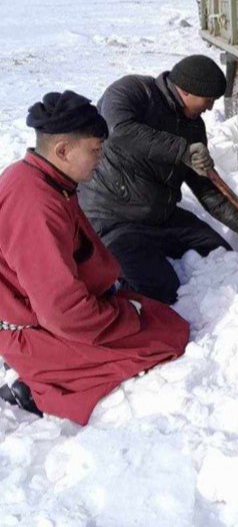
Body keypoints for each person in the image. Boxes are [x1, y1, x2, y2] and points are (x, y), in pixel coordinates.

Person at [0, 91, 190, 425]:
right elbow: (61, 312)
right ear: (63, 150)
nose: (101, 159)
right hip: (35, 329)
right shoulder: (36, 205)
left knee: (161, 319)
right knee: (164, 340)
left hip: (54, 312)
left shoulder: (43, 178)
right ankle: (41, 386)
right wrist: (123, 317)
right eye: (95, 150)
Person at [79, 55, 238, 304]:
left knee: (220, 254)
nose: (210, 108)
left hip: (163, 218)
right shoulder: (132, 92)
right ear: (185, 91)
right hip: (115, 220)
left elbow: (207, 188)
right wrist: (181, 151)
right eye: (208, 100)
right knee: (161, 290)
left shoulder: (193, 127)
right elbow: (119, 132)